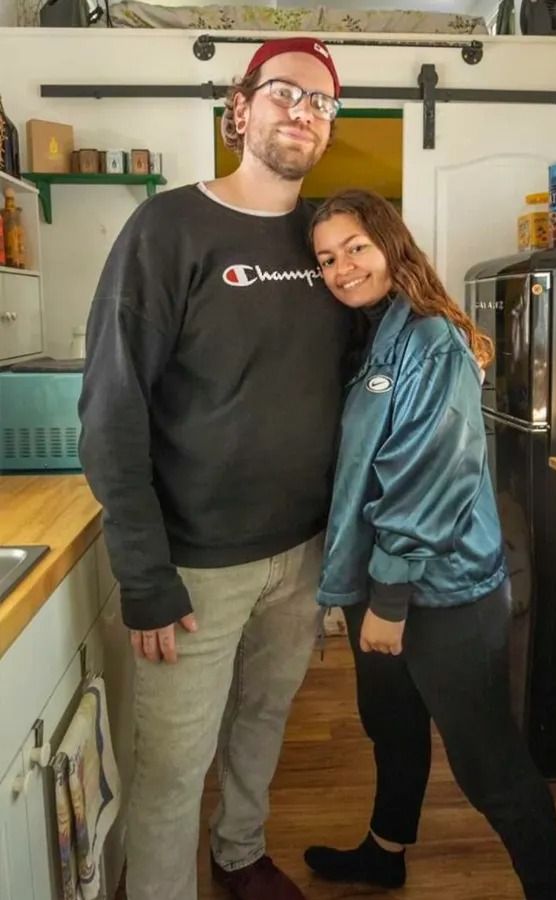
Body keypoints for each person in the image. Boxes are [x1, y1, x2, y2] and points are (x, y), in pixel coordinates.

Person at [78, 37, 351, 900]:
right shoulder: (168, 227)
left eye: (320, 101)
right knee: (168, 771)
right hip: (193, 567)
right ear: (242, 108)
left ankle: (239, 854)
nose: (302, 112)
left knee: (264, 721)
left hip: (302, 554)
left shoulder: (330, 241)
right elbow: (111, 408)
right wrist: (145, 576)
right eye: (284, 92)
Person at [304, 189, 556, 900]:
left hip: (442, 592)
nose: (342, 268)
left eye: (356, 248)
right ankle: (384, 853)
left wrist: (389, 599)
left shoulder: (429, 339)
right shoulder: (370, 333)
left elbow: (430, 476)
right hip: (384, 581)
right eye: (327, 258)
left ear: (392, 244)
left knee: (487, 762)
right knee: (393, 728)